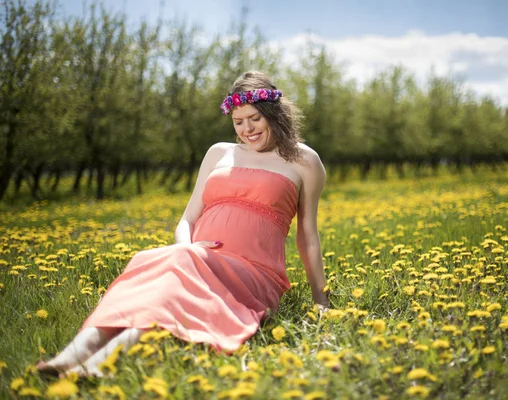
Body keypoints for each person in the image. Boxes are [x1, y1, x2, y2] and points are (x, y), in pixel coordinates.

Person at [36, 71, 329, 377]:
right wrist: (186, 250)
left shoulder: (303, 161)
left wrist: (320, 299)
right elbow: (188, 218)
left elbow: (307, 235)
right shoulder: (219, 153)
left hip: (253, 272)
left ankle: (103, 360)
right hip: (195, 256)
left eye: (254, 119)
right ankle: (77, 351)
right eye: (238, 122)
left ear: (274, 114)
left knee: (168, 284)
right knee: (153, 279)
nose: (247, 129)